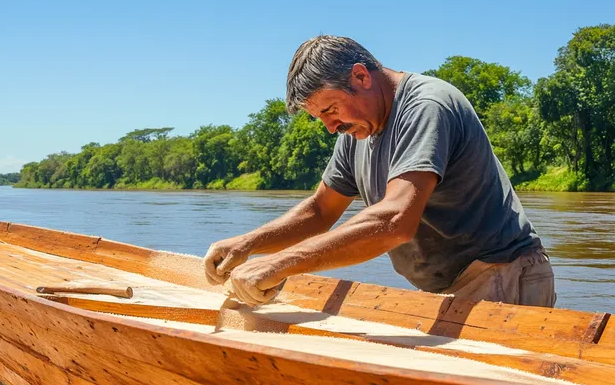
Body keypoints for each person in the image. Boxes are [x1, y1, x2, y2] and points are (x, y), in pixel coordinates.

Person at [204, 35, 556, 308]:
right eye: (321, 118)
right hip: (444, 286)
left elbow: (395, 220)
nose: (330, 127)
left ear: (360, 76)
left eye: (331, 109)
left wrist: (281, 263)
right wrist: (247, 244)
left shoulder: (425, 107)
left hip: (500, 275)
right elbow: (320, 210)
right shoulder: (358, 129)